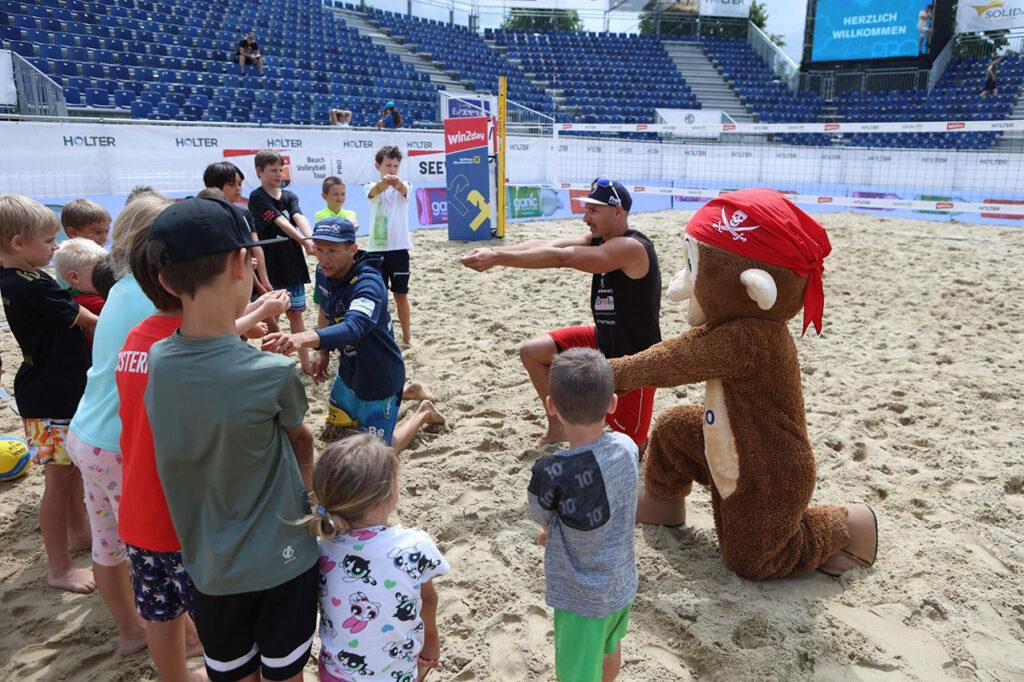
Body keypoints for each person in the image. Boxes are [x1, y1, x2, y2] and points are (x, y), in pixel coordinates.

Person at [144, 197, 319, 682]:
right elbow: (301, 441)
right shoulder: (272, 371)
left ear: (164, 281)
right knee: (285, 673)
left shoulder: (159, 360)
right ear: (244, 263)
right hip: (282, 561)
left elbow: (204, 350)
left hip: (209, 566)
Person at [461, 178, 661, 447]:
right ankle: (557, 428)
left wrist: (497, 259)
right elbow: (550, 244)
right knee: (533, 352)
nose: (585, 217)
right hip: (604, 340)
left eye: (593, 210)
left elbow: (562, 259)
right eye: (586, 209)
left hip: (637, 358)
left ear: (618, 211)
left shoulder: (630, 247)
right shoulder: (600, 239)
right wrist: (495, 251)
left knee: (633, 447)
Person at [65, 196, 175, 654]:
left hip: (87, 433)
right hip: (118, 443)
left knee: (107, 547)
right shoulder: (152, 295)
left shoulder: (124, 286)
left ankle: (130, 633)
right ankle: (172, 636)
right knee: (152, 552)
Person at [261, 217, 445, 451]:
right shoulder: (323, 272)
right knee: (336, 435)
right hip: (349, 373)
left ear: (353, 249)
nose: (324, 258)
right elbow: (328, 312)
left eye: (333, 250)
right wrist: (324, 352)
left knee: (377, 453)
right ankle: (409, 392)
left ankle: (423, 413)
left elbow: (354, 327)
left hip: (381, 377)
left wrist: (301, 338)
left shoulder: (369, 283)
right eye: (319, 249)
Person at [0, 194, 99, 594]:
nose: (55, 248)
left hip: (56, 390)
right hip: (49, 397)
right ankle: (59, 567)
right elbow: (89, 320)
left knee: (69, 469)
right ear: (19, 243)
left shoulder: (20, 276)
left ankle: (79, 534)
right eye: (48, 241)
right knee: (58, 480)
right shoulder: (30, 284)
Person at [528, 348, 638, 682]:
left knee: (576, 672)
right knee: (609, 646)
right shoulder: (627, 446)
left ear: (551, 406)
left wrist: (549, 527)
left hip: (580, 597)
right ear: (612, 403)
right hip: (621, 583)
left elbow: (540, 513)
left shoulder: (553, 470)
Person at [305, 433, 447, 682]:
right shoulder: (414, 547)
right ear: (388, 496)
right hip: (396, 674)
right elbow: (428, 600)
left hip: (337, 673)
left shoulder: (319, 549)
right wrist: (431, 643)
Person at [248, 148, 316, 372]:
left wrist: (309, 238)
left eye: (281, 170)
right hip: (271, 266)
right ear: (260, 171)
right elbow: (282, 223)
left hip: (293, 265)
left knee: (296, 316)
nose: (278, 174)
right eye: (273, 170)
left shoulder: (289, 195)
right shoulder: (257, 198)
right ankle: (272, 368)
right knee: (269, 319)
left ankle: (306, 365)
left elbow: (298, 216)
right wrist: (304, 241)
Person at [366, 146, 414, 346]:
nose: (392, 169)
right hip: (376, 249)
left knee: (401, 295)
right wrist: (385, 182)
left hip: (399, 248)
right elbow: (373, 191)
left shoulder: (405, 185)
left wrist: (394, 182)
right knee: (379, 296)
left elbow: (403, 189)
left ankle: (407, 336)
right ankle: (382, 336)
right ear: (378, 166)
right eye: (388, 165)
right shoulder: (370, 185)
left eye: (395, 165)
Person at [203, 160, 272, 294]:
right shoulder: (204, 215)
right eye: (231, 184)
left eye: (240, 183)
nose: (238, 187)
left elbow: (255, 245)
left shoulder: (244, 212)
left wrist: (264, 280)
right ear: (213, 186)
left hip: (248, 282)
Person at [52, 237, 107, 316]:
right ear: (74, 277)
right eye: (98, 272)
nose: (105, 275)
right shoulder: (90, 303)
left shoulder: (68, 295)